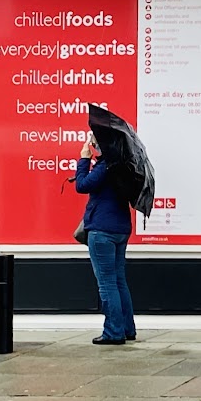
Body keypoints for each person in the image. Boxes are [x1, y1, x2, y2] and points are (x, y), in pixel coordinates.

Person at [75, 135, 135, 345]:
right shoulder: (125, 165)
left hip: (102, 230)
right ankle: (127, 328)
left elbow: (82, 185)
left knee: (107, 283)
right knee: (118, 280)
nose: (92, 144)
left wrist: (84, 159)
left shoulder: (106, 165)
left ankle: (113, 332)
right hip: (121, 228)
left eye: (94, 140)